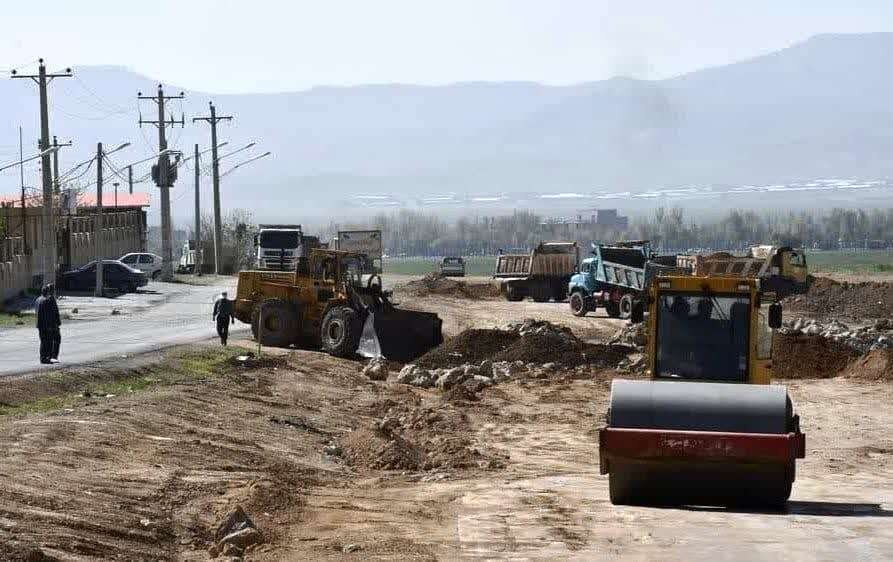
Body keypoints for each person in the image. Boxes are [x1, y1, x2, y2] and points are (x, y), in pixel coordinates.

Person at [35, 283, 61, 364]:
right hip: (46, 325)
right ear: (48, 292)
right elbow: (48, 314)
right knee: (47, 341)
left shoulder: (38, 299)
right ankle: (46, 357)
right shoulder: (46, 300)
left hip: (40, 325)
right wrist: (51, 325)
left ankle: (47, 357)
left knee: (44, 341)